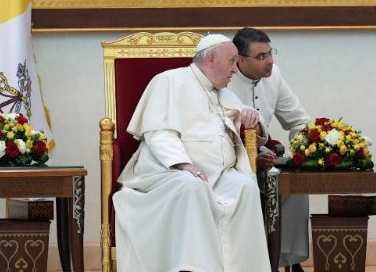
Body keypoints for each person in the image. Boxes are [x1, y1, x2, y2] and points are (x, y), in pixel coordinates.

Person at [113, 34, 271, 272]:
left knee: (246, 186)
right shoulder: (168, 81)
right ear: (211, 58)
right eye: (231, 61)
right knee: (192, 186)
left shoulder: (224, 93)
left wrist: (253, 119)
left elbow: (251, 126)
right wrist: (184, 165)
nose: (235, 70)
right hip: (168, 172)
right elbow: (159, 133)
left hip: (219, 176)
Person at [228, 27, 311, 272]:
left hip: (265, 156)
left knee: (296, 185)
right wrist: (251, 157)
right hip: (231, 159)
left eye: (270, 53)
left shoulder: (274, 75)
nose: (270, 61)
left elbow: (299, 121)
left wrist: (298, 156)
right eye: (261, 56)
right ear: (240, 60)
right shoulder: (225, 79)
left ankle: (288, 258)